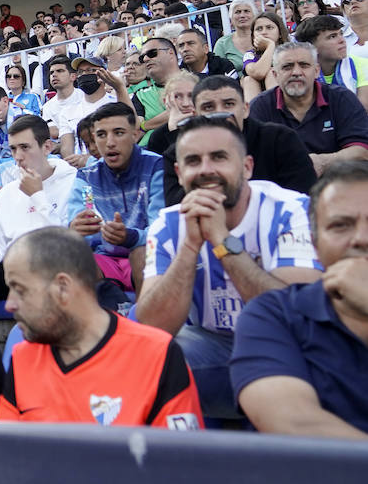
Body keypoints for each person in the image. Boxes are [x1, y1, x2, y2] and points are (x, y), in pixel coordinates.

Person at [136, 116, 322, 419]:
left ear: (247, 167)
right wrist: (189, 248)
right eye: (194, 161)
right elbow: (154, 326)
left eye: (219, 157)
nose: (206, 169)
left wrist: (221, 240)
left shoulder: (291, 210)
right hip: (210, 342)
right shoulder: (168, 223)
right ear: (180, 174)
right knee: (147, 357)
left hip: (288, 342)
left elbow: (296, 316)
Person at [0, 227, 203, 428]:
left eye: (20, 290)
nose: (9, 304)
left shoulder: (157, 354)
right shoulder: (22, 358)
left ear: (63, 287)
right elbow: (4, 454)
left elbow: (179, 458)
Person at [230, 162, 368, 437]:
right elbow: (291, 422)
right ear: (315, 246)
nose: (361, 239)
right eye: (340, 225)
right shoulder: (274, 315)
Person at [161, 75, 317, 204]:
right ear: (195, 113)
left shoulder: (281, 140)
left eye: (228, 104)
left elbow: (303, 199)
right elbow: (177, 209)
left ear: (245, 109)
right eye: (208, 107)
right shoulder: (177, 154)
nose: (219, 114)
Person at [64, 103, 166, 293]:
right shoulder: (86, 177)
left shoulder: (156, 166)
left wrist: (131, 237)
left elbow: (160, 231)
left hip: (146, 255)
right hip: (105, 259)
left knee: (142, 254)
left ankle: (146, 320)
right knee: (72, 260)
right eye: (101, 135)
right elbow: (77, 228)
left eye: (118, 133)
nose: (110, 142)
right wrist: (76, 230)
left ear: (135, 135)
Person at [0, 115, 77, 297]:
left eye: (25, 148)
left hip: (56, 267)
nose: (17, 157)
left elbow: (68, 244)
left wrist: (37, 195)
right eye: (13, 149)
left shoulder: (73, 183)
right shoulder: (6, 193)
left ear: (47, 147)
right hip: (12, 271)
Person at [248, 41, 368, 175]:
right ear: (275, 75)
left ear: (316, 71)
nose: (296, 72)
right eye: (287, 67)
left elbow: (362, 150)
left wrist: (322, 162)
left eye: (304, 65)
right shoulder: (260, 107)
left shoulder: (342, 99)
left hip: (338, 182)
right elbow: (251, 159)